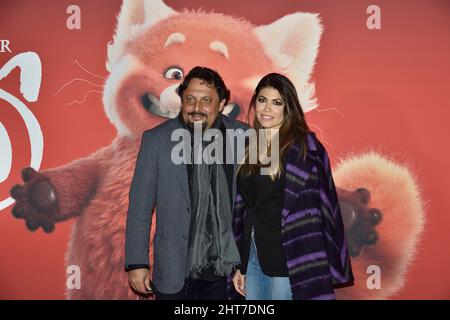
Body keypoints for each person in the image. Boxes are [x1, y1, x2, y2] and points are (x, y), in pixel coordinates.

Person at [125, 66, 248, 300]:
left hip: (227, 275)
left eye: (206, 100)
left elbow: (254, 208)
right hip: (173, 270)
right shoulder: (156, 140)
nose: (196, 108)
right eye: (190, 99)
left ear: (221, 103)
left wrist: (250, 262)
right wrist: (137, 262)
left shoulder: (244, 138)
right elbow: (139, 207)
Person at [231, 73, 354, 300]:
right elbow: (245, 209)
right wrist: (241, 264)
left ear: (288, 108)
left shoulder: (305, 147)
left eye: (277, 102)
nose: (267, 108)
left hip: (293, 256)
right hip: (256, 255)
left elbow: (325, 207)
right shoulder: (249, 144)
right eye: (262, 100)